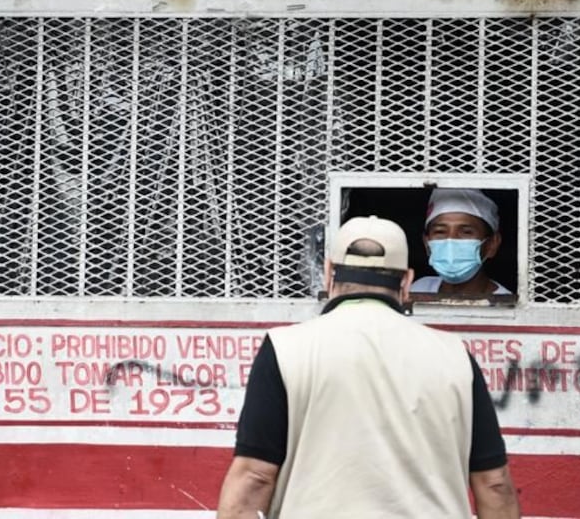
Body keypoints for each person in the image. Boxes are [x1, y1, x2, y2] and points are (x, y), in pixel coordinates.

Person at [216, 215, 519, 518]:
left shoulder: (284, 349)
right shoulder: (455, 356)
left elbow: (254, 477)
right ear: (407, 282)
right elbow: (493, 484)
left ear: (328, 273)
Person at [412, 187, 511, 297]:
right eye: (440, 232)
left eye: (466, 232)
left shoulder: (507, 306)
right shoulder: (419, 289)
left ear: (492, 244)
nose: (451, 240)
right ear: (426, 243)